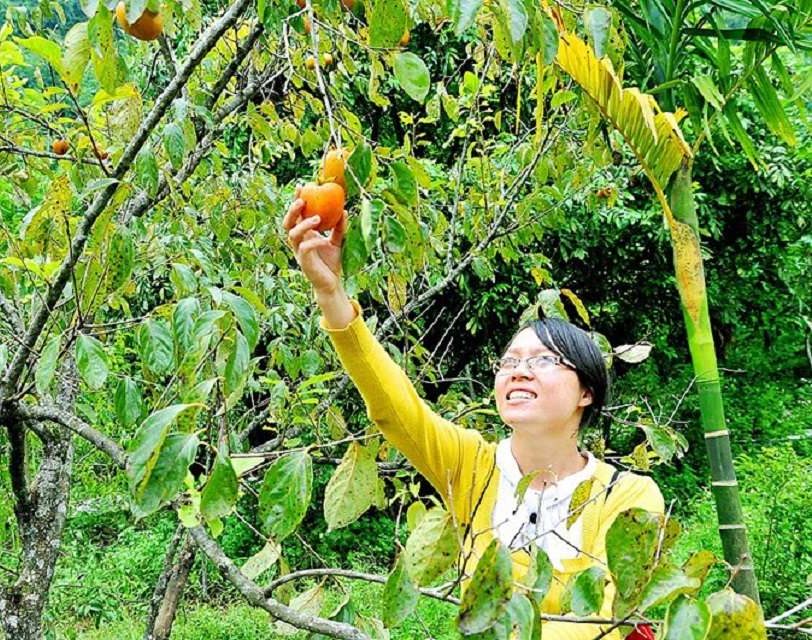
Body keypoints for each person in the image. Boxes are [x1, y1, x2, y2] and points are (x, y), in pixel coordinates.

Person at [283, 188, 665, 640]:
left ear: (586, 390)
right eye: (510, 362)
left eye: (543, 361)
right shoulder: (473, 467)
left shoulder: (629, 497)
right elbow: (394, 407)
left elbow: (610, 624)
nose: (519, 372)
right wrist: (331, 292)